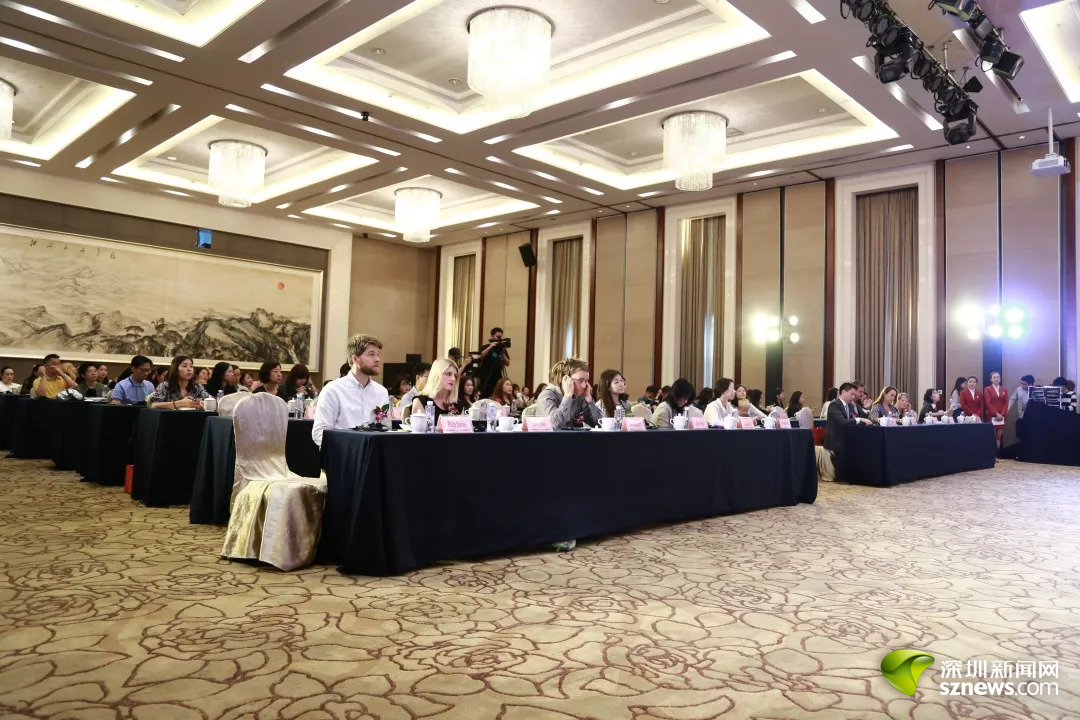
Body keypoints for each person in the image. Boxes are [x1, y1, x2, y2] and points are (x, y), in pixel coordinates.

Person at [312, 334, 390, 446]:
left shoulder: (381, 392)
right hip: (342, 453)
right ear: (355, 359)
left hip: (372, 453)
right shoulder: (333, 390)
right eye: (371, 354)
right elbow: (319, 432)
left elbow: (386, 430)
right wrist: (348, 448)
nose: (377, 359)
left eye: (378, 354)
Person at [536, 358, 602, 429]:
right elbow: (555, 425)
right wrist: (567, 397)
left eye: (586, 381)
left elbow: (600, 423)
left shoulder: (579, 396)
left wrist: (589, 399)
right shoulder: (546, 396)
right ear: (566, 379)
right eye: (580, 380)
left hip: (574, 436)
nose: (584, 386)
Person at [824, 382, 873, 464]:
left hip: (847, 441)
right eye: (851, 394)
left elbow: (856, 418)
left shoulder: (850, 405)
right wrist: (859, 420)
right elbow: (843, 422)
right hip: (836, 443)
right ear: (843, 392)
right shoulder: (834, 405)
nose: (853, 397)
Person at [410, 358, 461, 425]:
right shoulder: (421, 402)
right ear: (437, 376)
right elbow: (419, 430)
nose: (453, 379)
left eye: (455, 376)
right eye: (448, 374)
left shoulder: (457, 404)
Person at [477, 327, 511, 398]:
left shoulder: (502, 349)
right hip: (486, 377)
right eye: (498, 336)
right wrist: (490, 347)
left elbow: (508, 363)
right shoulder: (485, 347)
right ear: (492, 336)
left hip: (498, 378)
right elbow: (481, 357)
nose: (499, 338)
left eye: (501, 337)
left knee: (497, 396)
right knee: (485, 396)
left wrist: (503, 352)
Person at [984, 371, 1009, 446]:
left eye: (998, 377)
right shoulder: (988, 389)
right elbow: (988, 403)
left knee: (999, 437)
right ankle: (991, 453)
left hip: (1002, 416)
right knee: (992, 437)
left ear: (1000, 379)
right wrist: (996, 414)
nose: (996, 379)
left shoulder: (1004, 389)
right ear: (991, 379)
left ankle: (997, 453)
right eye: (994, 377)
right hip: (991, 415)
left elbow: (1006, 402)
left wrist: (1002, 414)